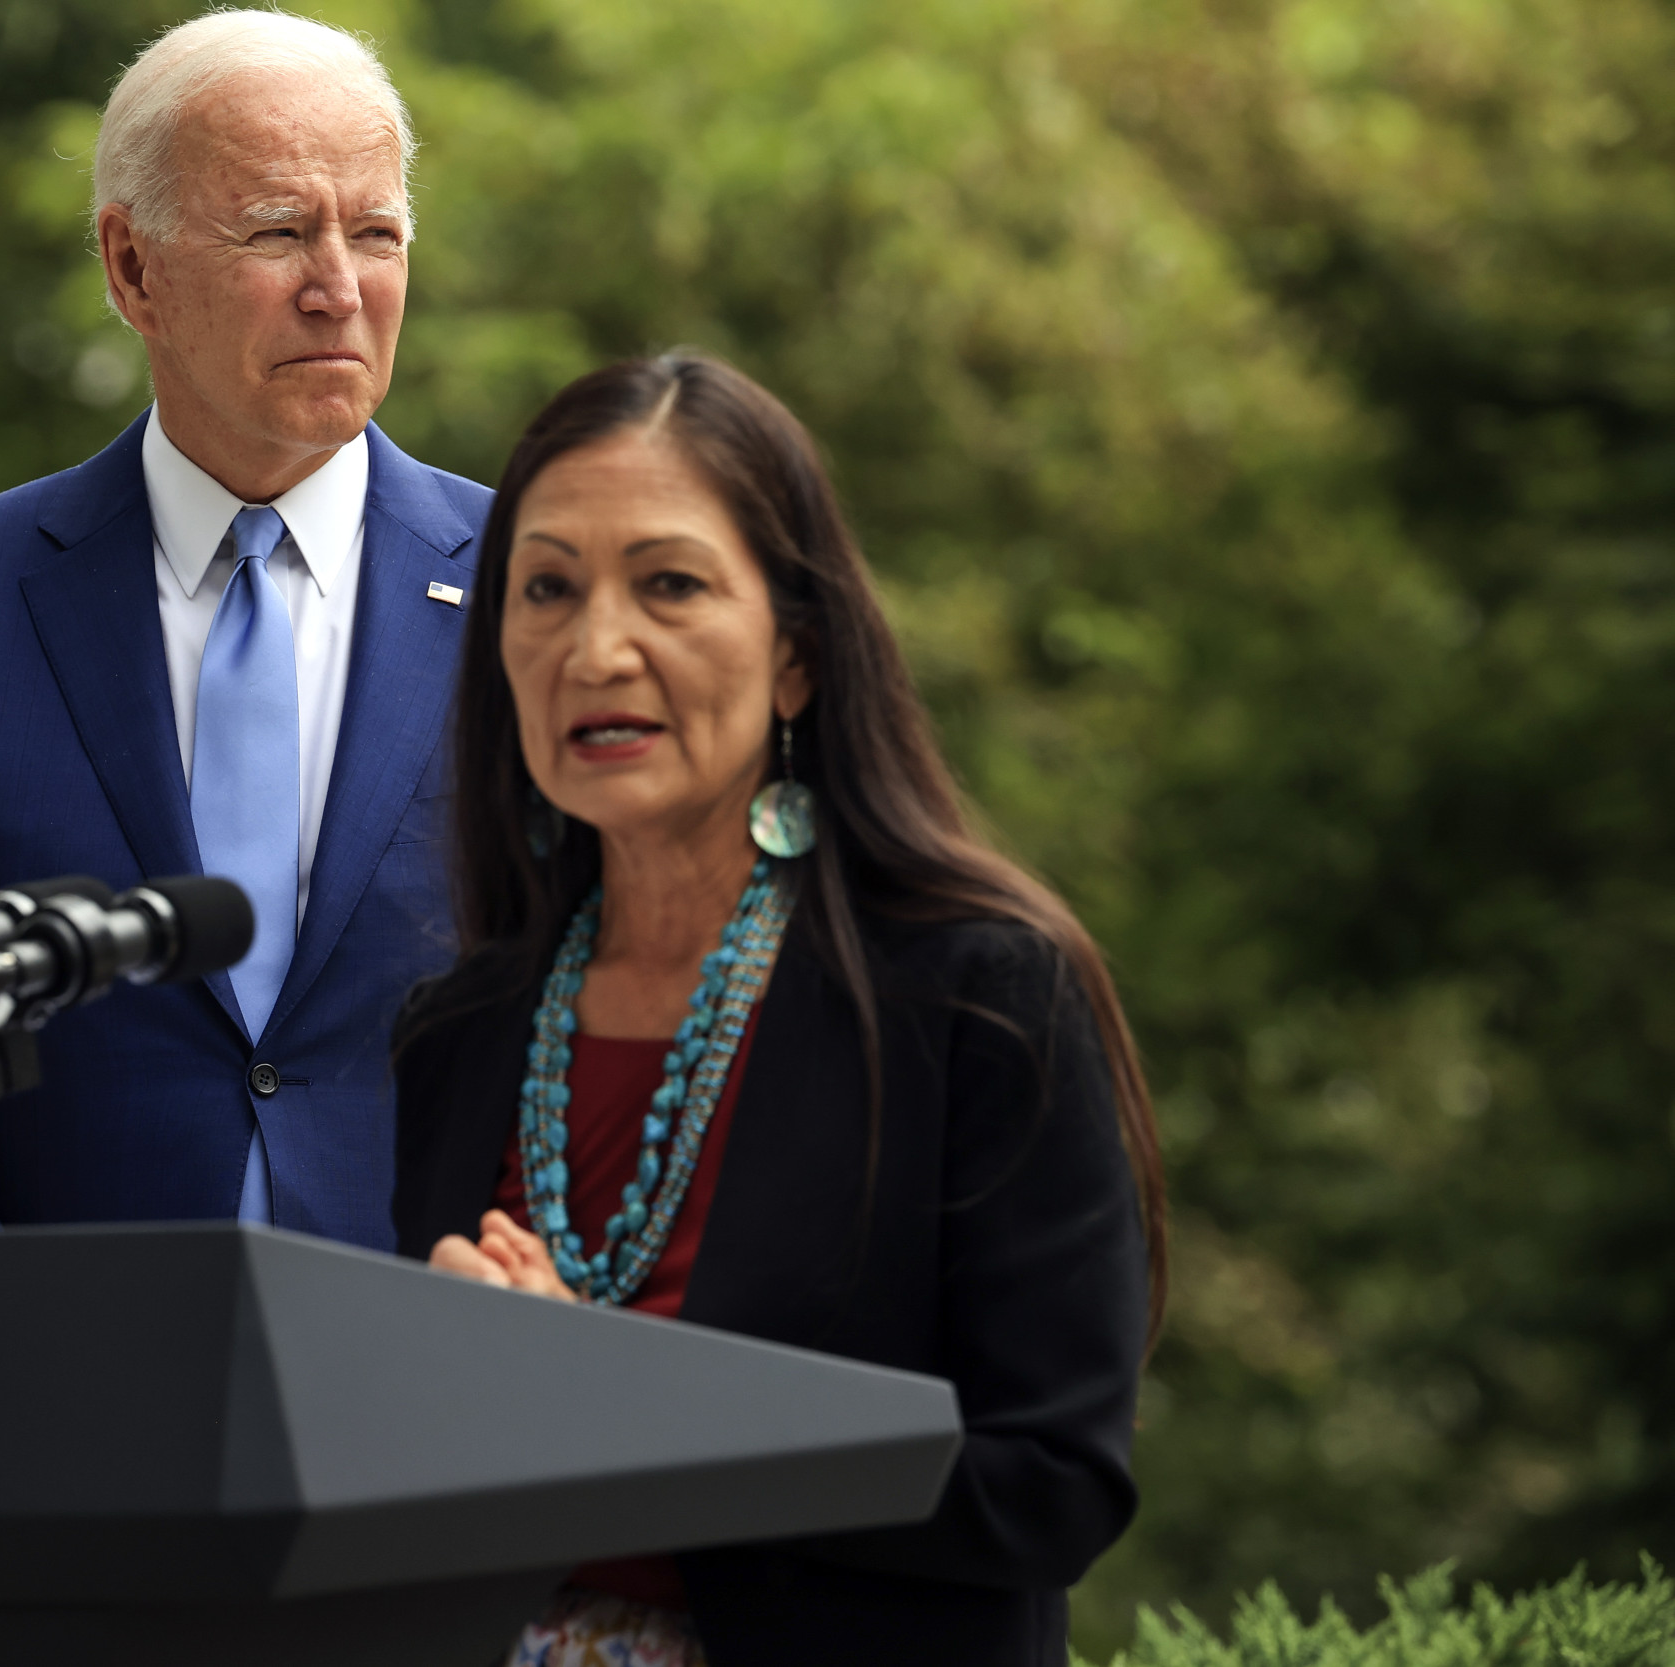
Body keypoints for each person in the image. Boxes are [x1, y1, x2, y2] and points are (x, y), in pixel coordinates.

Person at [392, 354, 1167, 1666]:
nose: (597, 646)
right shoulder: (458, 1030)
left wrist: (608, 1404)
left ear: (796, 655)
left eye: (671, 583)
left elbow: (1049, 1485)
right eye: (548, 588)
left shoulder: (978, 992)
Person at [0, 11, 491, 1244]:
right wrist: (39, 1386)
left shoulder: (529, 599)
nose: (339, 287)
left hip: (450, 1384)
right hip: (62, 1395)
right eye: (280, 231)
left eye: (375, 234)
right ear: (133, 269)